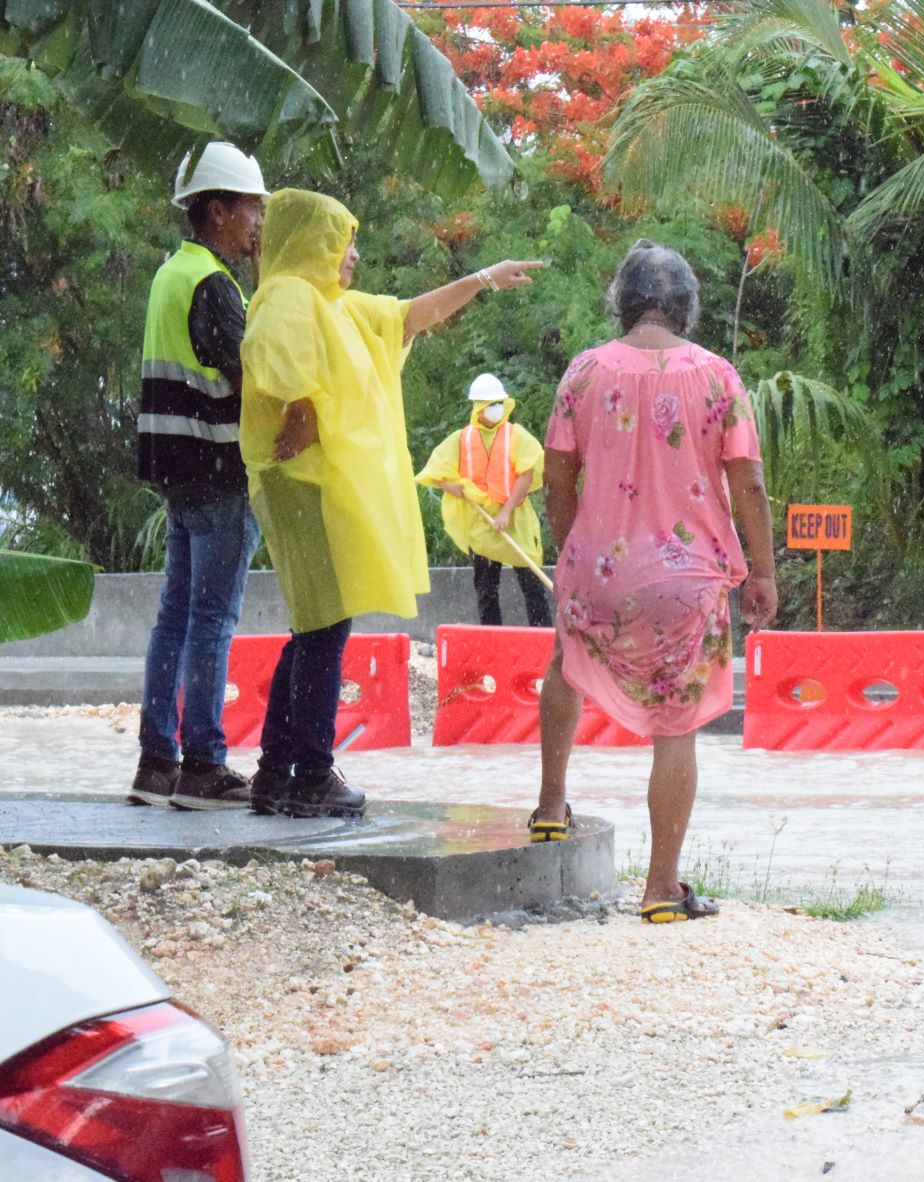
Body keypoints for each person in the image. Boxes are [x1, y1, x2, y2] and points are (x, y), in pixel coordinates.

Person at [239, 188, 543, 819]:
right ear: (311, 243)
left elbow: (410, 316)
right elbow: (280, 364)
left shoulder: (337, 308)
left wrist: (482, 279)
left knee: (316, 626)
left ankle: (276, 773)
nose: (352, 255)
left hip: (321, 484)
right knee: (324, 627)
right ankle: (311, 774)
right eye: (341, 241)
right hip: (304, 487)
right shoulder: (289, 295)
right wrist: (302, 408)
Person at [531, 240, 777, 924]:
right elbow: (748, 482)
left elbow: (556, 475)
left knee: (566, 661)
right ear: (685, 308)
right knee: (676, 725)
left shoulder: (584, 371)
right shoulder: (717, 376)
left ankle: (551, 805)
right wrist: (761, 571)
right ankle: (661, 888)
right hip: (686, 581)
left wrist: (575, 546)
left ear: (623, 303)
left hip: (598, 570)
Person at [129, 143, 269, 811]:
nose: (257, 225)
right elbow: (254, 377)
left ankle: (157, 763)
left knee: (175, 617)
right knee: (212, 620)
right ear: (218, 211)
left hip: (176, 470)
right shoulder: (214, 284)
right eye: (251, 210)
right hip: (218, 468)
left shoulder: (170, 272)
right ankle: (204, 764)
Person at [415, 373, 552, 627]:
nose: (496, 408)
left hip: (514, 519)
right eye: (490, 404)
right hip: (481, 523)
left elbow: (526, 475)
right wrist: (451, 486)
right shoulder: (462, 439)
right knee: (486, 589)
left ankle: (543, 635)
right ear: (478, 408)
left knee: (532, 583)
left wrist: (506, 512)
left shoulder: (516, 435)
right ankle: (491, 638)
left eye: (499, 402)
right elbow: (432, 473)